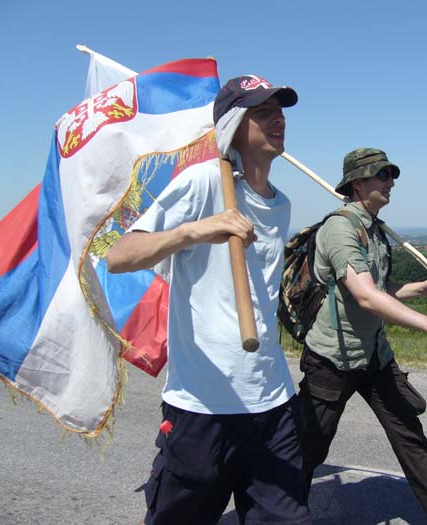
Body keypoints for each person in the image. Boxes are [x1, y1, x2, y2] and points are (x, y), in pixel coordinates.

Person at [107, 75, 310, 525]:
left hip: (273, 399)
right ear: (234, 126)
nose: (279, 119)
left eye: (280, 112)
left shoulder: (281, 204)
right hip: (203, 404)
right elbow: (120, 256)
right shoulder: (203, 183)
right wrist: (196, 230)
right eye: (263, 112)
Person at [298, 148, 427, 525]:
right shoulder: (340, 229)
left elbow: (380, 289)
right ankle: (274, 513)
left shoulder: (375, 231)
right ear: (357, 184)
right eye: (382, 175)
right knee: (310, 445)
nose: (390, 181)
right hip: (333, 358)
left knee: (409, 436)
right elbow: (365, 296)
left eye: (391, 174)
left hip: (375, 355)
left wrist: (425, 288)